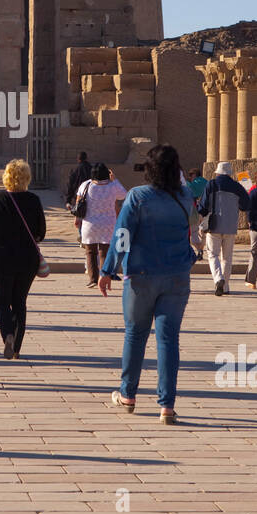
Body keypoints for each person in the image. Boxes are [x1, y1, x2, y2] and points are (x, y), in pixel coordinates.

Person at [98, 144, 195, 426]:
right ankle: (167, 405)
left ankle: (128, 394)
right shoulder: (185, 196)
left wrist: (108, 268)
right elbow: (193, 229)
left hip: (141, 275)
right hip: (176, 274)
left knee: (136, 334)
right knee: (168, 340)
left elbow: (123, 235)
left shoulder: (138, 197)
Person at [0, 158, 47, 360]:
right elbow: (41, 233)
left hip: (3, 256)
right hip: (28, 258)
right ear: (27, 177)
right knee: (20, 301)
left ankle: (8, 335)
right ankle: (17, 347)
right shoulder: (34, 200)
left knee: (1, 301)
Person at [197, 161, 251, 296]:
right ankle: (225, 286)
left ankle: (218, 279)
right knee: (227, 257)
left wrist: (200, 219)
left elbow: (203, 206)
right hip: (231, 225)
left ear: (218, 172)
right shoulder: (237, 186)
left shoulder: (211, 184)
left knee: (212, 254)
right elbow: (246, 205)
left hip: (214, 225)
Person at [75, 162, 128, 288]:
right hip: (108, 223)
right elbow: (124, 195)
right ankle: (103, 277)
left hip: (89, 224)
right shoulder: (112, 186)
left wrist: (77, 219)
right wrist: (114, 180)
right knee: (104, 252)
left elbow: (78, 202)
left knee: (90, 252)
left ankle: (93, 279)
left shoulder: (86, 185)